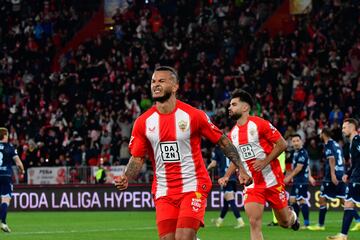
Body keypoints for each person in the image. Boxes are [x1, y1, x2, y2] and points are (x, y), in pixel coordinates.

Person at [114, 66, 251, 240]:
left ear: (175, 86)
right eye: (153, 81)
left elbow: (223, 141)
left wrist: (242, 168)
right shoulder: (143, 122)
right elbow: (138, 157)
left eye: (161, 81)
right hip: (164, 189)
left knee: (184, 236)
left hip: (193, 185)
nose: (156, 85)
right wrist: (127, 177)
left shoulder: (193, 115)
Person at [219, 89, 300, 240]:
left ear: (245, 107)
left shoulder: (259, 124)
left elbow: (282, 144)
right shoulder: (232, 134)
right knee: (254, 223)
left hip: (272, 180)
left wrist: (264, 162)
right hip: (252, 184)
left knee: (284, 222)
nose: (229, 108)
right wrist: (227, 175)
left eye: (234, 104)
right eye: (230, 105)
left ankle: (292, 217)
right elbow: (237, 159)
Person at [309, 128, 360, 231]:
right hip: (341, 173)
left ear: (323, 134)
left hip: (331, 176)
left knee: (322, 199)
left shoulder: (328, 144)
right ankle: (358, 220)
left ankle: (320, 225)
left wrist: (332, 174)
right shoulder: (336, 144)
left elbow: (332, 159)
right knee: (344, 201)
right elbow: (344, 159)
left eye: (320, 134)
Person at [327, 118, 360, 240]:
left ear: (352, 127)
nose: (342, 130)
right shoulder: (353, 142)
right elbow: (356, 161)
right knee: (348, 204)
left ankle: (343, 235)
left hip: (358, 179)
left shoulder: (357, 140)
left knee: (348, 204)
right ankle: (343, 235)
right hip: (355, 177)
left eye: (344, 127)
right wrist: (349, 173)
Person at [207, 146, 245, 229]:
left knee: (230, 200)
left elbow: (214, 163)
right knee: (226, 202)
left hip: (225, 178)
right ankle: (219, 221)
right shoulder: (231, 148)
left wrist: (206, 169)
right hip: (233, 178)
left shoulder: (218, 149)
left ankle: (240, 221)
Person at [284, 134, 314, 229]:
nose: (296, 143)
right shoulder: (295, 152)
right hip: (297, 180)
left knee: (301, 201)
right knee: (292, 200)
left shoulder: (302, 153)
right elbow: (307, 166)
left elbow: (299, 168)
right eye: (294, 141)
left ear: (301, 141)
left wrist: (288, 177)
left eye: (297, 140)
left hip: (301, 181)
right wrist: (310, 176)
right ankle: (295, 221)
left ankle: (306, 224)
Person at [0, 127, 25, 233]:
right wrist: (22, 171)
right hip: (5, 176)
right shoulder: (10, 147)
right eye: (8, 134)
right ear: (5, 135)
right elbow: (18, 163)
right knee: (5, 199)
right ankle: (3, 223)